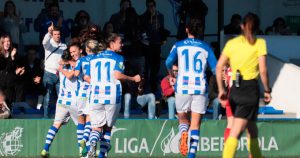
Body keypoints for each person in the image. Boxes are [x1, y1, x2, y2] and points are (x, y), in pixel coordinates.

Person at [216, 12, 272, 158]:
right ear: (257, 28)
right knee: (236, 130)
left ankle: (257, 156)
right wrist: (267, 90)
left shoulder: (231, 44)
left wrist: (222, 90)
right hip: (249, 91)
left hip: (234, 90)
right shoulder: (260, 43)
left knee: (252, 129)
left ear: (242, 26)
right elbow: (263, 70)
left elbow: (218, 66)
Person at [165, 18, 217, 158]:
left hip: (182, 86)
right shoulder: (206, 47)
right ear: (200, 31)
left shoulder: (178, 45)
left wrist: (171, 75)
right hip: (199, 87)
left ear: (186, 29)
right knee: (195, 125)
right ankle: (191, 155)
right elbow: (215, 69)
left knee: (182, 120)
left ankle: (183, 133)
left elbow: (168, 61)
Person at [84, 33, 140, 157]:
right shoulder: (118, 58)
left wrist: (98, 83)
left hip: (95, 95)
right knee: (108, 128)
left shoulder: (93, 58)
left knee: (96, 128)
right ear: (112, 43)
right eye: (120, 42)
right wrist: (133, 78)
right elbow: (117, 75)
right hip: (112, 96)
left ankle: (92, 142)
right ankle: (101, 155)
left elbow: (86, 77)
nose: (122, 45)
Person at [40, 50, 79, 158]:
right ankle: (85, 151)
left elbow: (61, 62)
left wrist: (63, 64)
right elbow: (72, 73)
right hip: (73, 101)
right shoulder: (75, 66)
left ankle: (45, 149)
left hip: (61, 100)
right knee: (82, 127)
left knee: (56, 125)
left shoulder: (61, 65)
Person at [74, 39, 98, 157]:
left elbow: (76, 73)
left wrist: (82, 77)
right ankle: (85, 142)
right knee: (89, 118)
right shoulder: (98, 59)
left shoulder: (81, 60)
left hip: (81, 92)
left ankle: (81, 149)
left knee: (80, 120)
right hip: (92, 91)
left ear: (86, 49)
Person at [141, 0, 168, 95]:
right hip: (148, 44)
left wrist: (164, 38)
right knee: (148, 66)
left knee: (156, 66)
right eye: (148, 6)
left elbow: (161, 28)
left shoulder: (160, 16)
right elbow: (142, 29)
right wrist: (145, 39)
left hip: (157, 43)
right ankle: (148, 86)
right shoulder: (144, 17)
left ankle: (153, 85)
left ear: (155, 6)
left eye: (152, 6)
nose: (150, 8)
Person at [42, 23, 67, 118]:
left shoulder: (64, 46)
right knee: (47, 97)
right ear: (52, 35)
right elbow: (44, 42)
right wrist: (48, 33)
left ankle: (60, 117)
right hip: (49, 73)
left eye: (58, 34)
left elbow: (66, 59)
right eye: (55, 34)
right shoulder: (49, 45)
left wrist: (64, 62)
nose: (57, 36)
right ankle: (45, 117)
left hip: (60, 74)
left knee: (61, 97)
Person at [0, 34, 20, 109]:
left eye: (9, 41)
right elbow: (5, 67)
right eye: (5, 41)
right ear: (2, 43)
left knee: (8, 105)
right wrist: (11, 57)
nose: (7, 43)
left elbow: (13, 67)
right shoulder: (0, 54)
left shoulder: (14, 53)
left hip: (10, 84)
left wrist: (17, 71)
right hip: (1, 84)